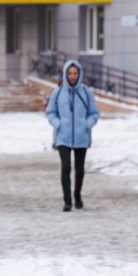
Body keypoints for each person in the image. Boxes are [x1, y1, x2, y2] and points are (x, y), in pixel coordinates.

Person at [45, 60, 100, 211]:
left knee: (80, 169)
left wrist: (87, 125)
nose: (72, 76)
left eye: (75, 73)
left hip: (82, 137)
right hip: (63, 137)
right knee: (66, 167)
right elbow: (50, 112)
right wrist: (58, 124)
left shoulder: (86, 93)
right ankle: (67, 200)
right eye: (70, 73)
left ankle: (77, 195)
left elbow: (94, 113)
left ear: (79, 74)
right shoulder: (58, 93)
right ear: (65, 74)